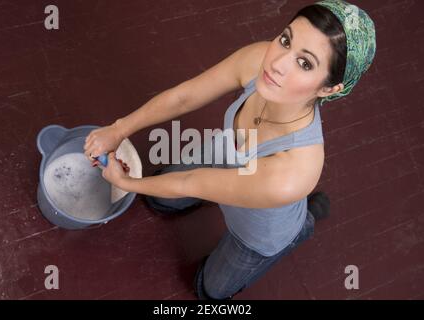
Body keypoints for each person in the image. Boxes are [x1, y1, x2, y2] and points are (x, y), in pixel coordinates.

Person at [83, 0, 376, 300]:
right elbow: (184, 98)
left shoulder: (293, 172)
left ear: (328, 89)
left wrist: (125, 183)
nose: (277, 63)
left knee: (209, 290)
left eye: (305, 63)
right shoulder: (260, 60)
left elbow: (191, 182)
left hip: (255, 229)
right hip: (225, 154)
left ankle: (302, 225)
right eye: (286, 40)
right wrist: (118, 129)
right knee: (158, 198)